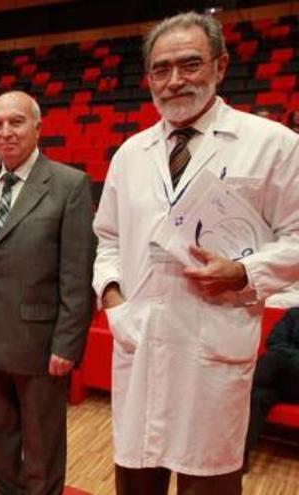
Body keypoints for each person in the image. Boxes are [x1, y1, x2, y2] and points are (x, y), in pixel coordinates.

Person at [93, 12, 299, 494]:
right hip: (140, 343)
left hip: (213, 347)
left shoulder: (274, 145)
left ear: (221, 66)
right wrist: (114, 301)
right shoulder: (131, 153)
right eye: (161, 70)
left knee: (209, 481)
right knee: (137, 480)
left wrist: (245, 271)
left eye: (190, 64)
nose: (174, 80)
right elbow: (108, 240)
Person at [0, 91, 96, 495]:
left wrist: (67, 344)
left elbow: (76, 274)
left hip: (39, 344)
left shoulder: (69, 185)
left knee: (42, 446)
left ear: (38, 127)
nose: (5, 132)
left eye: (15, 122)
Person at [244, 307, 299, 470]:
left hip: (284, 372)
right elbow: (273, 341)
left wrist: (289, 357)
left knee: (272, 359)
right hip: (281, 380)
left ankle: (245, 388)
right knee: (258, 396)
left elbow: (278, 349)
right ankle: (241, 455)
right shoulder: (294, 314)